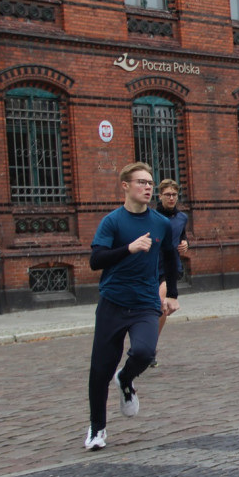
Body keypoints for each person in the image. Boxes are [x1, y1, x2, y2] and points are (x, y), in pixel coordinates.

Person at [84, 162, 179, 450]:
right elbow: (95, 261)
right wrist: (129, 248)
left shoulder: (161, 223)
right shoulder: (112, 222)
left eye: (150, 183)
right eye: (141, 182)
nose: (148, 187)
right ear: (125, 186)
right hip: (113, 302)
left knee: (144, 352)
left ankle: (125, 380)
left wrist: (172, 294)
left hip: (145, 302)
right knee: (100, 369)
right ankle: (97, 429)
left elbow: (171, 259)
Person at [151, 179, 189, 366]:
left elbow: (182, 237)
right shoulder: (152, 216)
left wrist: (185, 245)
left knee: (161, 305)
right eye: (167, 195)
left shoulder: (182, 218)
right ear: (160, 196)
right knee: (149, 308)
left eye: (174, 194)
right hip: (151, 266)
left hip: (170, 267)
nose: (171, 198)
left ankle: (151, 346)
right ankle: (146, 343)